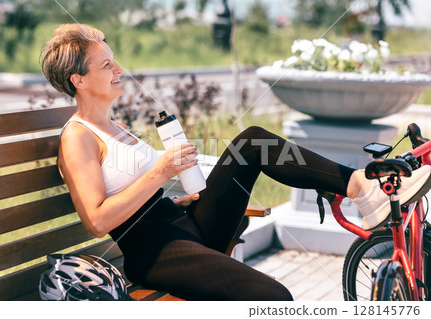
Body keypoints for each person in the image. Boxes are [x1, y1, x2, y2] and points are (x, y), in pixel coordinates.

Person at [41, 24, 431, 301]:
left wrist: (172, 197)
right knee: (273, 297)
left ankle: (362, 188)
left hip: (182, 222)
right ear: (78, 79)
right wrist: (161, 171)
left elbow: (132, 192)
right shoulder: (78, 137)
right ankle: (363, 189)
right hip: (156, 251)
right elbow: (96, 221)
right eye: (106, 65)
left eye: (114, 61)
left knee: (252, 142)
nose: (119, 69)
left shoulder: (114, 125)